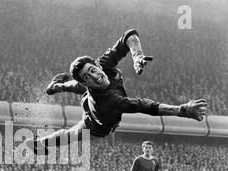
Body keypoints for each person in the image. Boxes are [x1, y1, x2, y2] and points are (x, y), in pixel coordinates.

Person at [26, 29, 208, 154]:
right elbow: (145, 106)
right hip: (96, 124)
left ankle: (55, 86)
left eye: (93, 70)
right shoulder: (109, 101)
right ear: (87, 82)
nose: (96, 76)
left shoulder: (104, 64)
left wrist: (137, 56)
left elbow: (129, 35)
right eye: (88, 76)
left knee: (76, 86)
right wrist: (181, 110)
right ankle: (39, 144)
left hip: (93, 95)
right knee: (72, 134)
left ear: (97, 65)